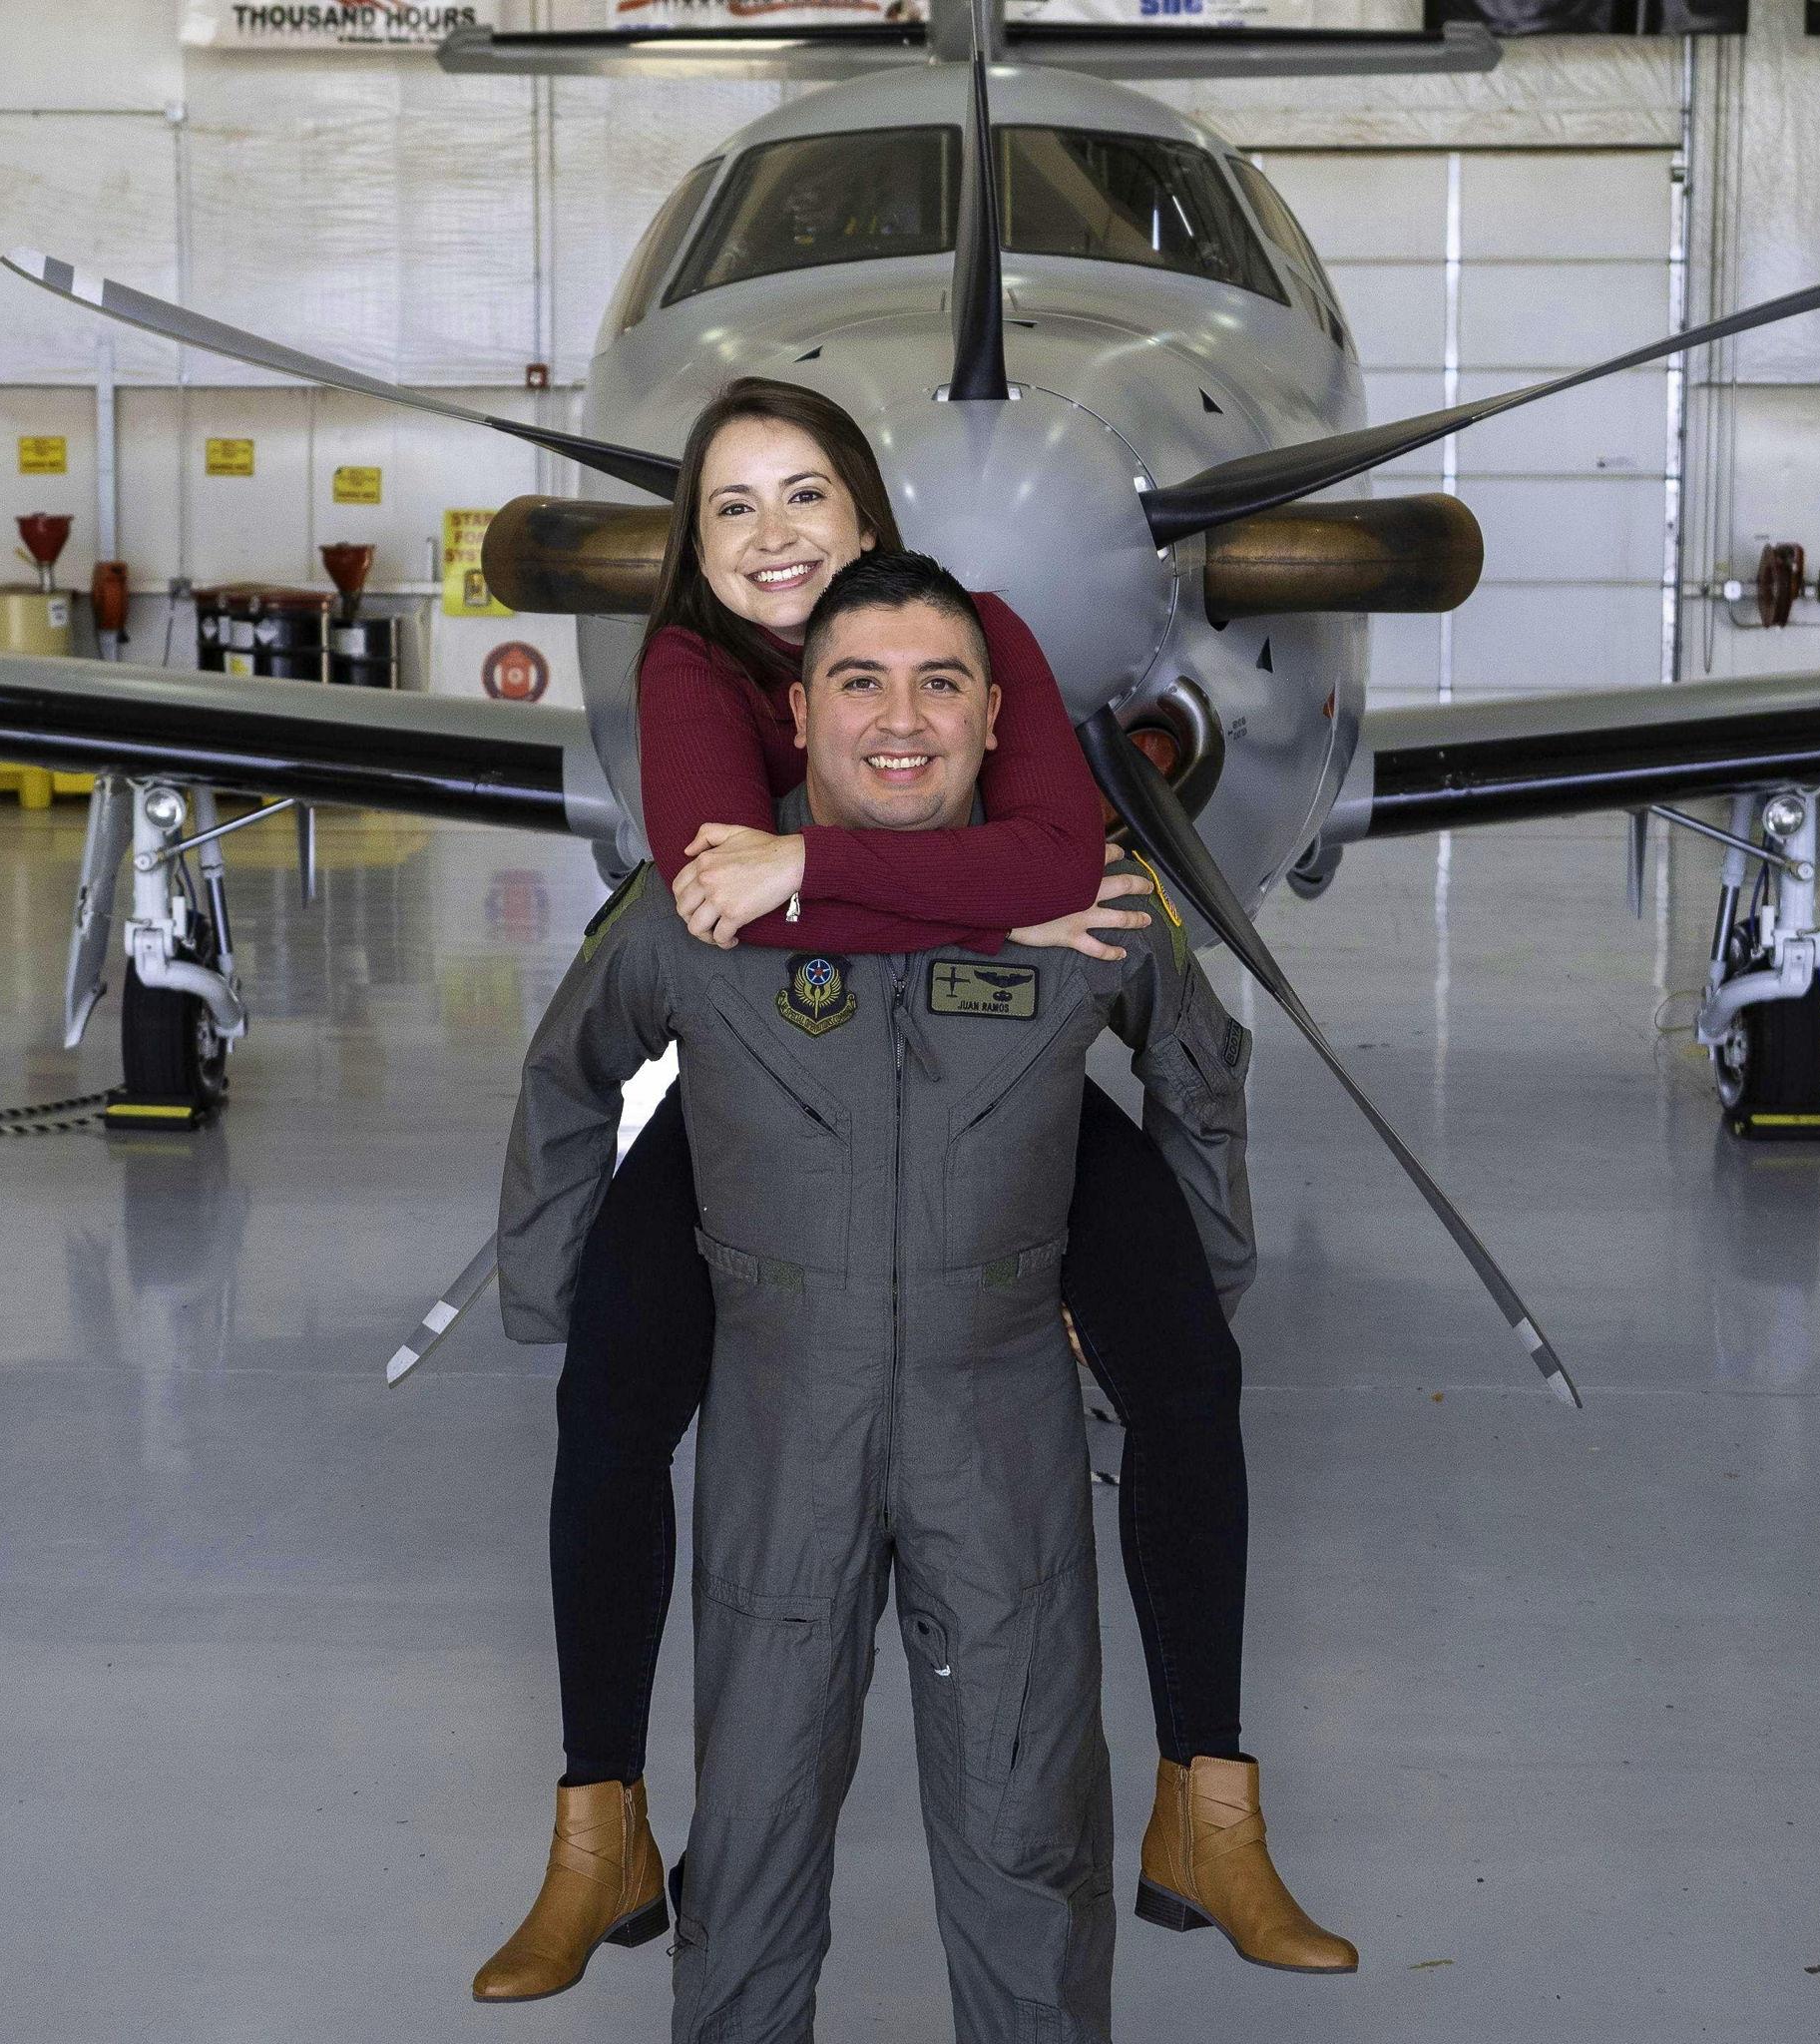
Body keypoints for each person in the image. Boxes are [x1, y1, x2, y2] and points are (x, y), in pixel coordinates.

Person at [471, 380, 1354, 2007]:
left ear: (872, 512)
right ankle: (599, 1822)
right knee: (611, 1398)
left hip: (987, 1165)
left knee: (1184, 1378)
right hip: (767, 1118)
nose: (773, 533)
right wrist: (554, 1281)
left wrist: (971, 894)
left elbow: (1169, 1022)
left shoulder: (997, 651)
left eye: (805, 494)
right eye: (732, 506)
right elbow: (694, 927)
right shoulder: (687, 684)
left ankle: (1209, 1799)